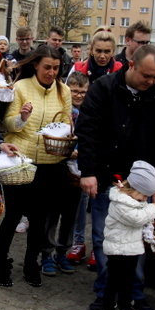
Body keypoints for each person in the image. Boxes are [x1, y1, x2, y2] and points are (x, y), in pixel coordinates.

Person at [76, 44, 155, 310]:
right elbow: (87, 130)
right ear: (132, 65)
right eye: (147, 76)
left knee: (137, 241)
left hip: (141, 183)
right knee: (105, 237)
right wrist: (88, 171)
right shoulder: (104, 88)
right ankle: (106, 292)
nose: (152, 82)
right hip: (106, 176)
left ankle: (133, 295)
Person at [0, 46, 72, 288]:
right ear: (36, 65)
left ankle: (31, 263)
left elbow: (66, 123)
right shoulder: (22, 87)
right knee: (13, 215)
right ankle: (0, 264)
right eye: (47, 67)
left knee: (39, 219)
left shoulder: (64, 90)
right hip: (21, 161)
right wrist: (23, 117)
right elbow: (7, 125)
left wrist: (66, 135)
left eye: (56, 68)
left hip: (50, 162)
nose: (51, 72)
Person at [99, 161, 155, 310]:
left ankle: (125, 308)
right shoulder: (119, 202)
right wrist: (154, 208)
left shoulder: (137, 202)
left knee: (128, 280)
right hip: (117, 249)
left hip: (133, 248)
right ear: (133, 189)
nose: (145, 200)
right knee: (113, 281)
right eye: (144, 196)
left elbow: (141, 215)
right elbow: (136, 218)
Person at [64, 71, 91, 266]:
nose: (79, 95)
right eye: (75, 91)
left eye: (83, 92)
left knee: (81, 207)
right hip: (65, 163)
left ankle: (79, 242)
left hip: (83, 165)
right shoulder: (63, 110)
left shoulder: (91, 111)